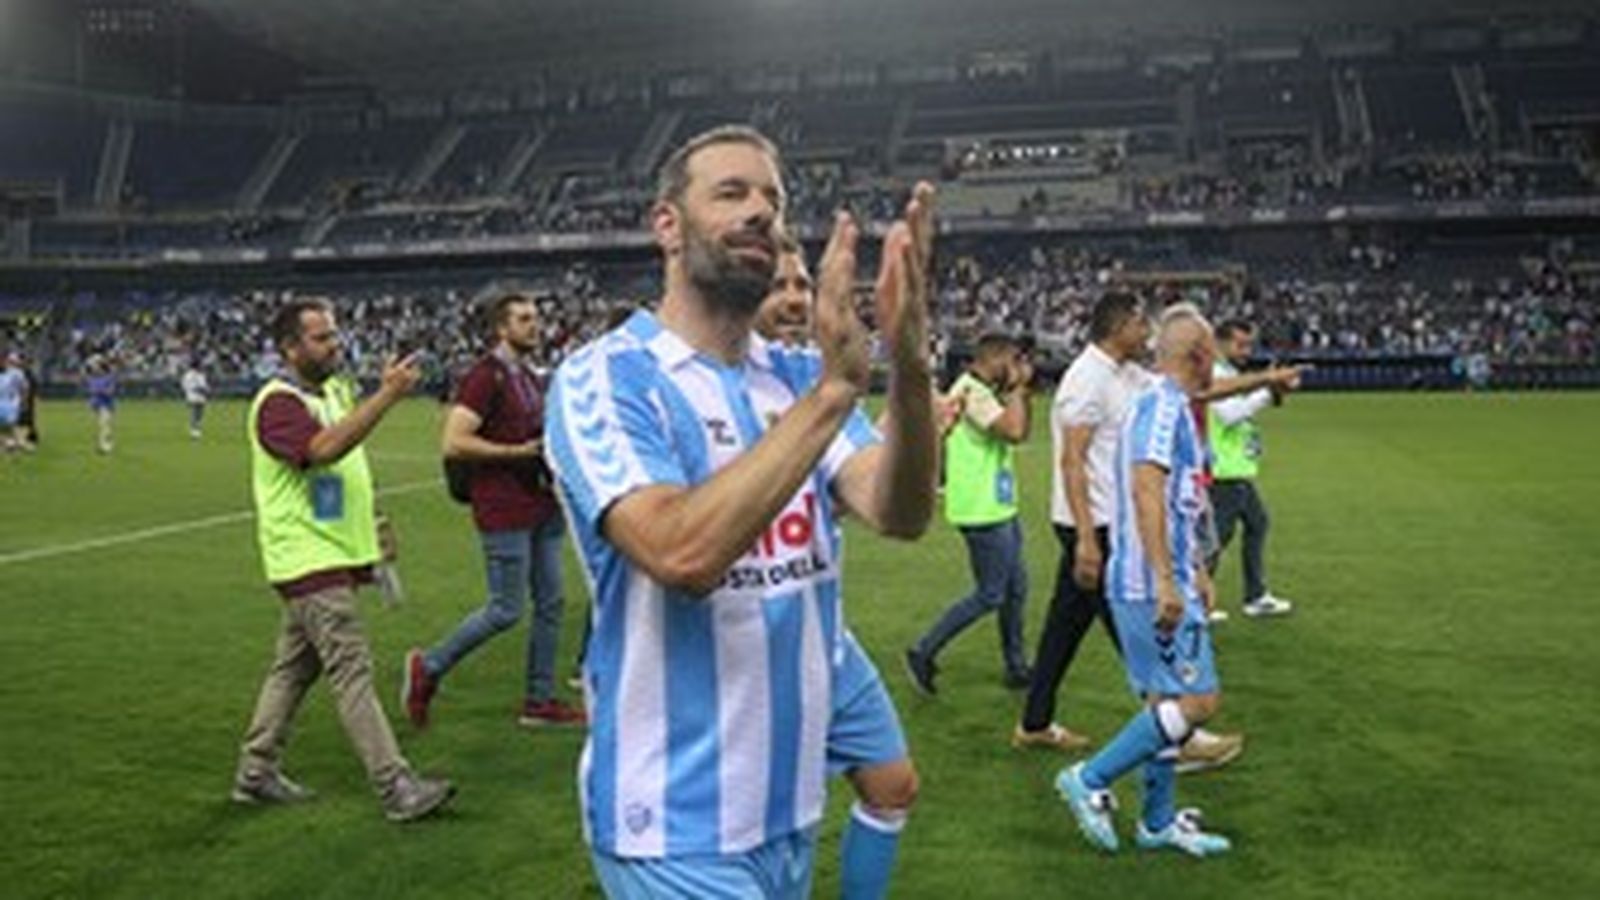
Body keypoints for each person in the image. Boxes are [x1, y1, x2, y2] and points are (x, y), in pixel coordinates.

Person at [545, 126, 938, 899]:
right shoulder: (607, 377)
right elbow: (679, 551)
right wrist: (833, 394)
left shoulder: (793, 374)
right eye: (732, 193)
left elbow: (900, 512)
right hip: (674, 821)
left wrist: (912, 369)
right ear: (668, 224)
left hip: (784, 809)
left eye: (774, 199)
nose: (763, 212)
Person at [233, 297, 454, 823]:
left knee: (293, 669)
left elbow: (334, 480)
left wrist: (372, 530)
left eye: (335, 334)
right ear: (290, 349)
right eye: (322, 338)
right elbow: (324, 451)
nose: (336, 344)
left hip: (325, 554)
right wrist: (388, 395)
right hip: (307, 560)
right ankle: (395, 785)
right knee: (351, 670)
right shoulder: (276, 403)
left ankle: (255, 772)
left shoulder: (331, 391)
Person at [1057, 307, 1233, 858]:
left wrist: (1197, 568)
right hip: (1146, 580)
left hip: (1160, 573)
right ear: (1200, 355)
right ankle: (1089, 779)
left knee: (1165, 699)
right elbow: (1146, 491)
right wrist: (1165, 580)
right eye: (1214, 353)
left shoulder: (1166, 404)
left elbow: (1179, 501)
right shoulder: (1161, 408)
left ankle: (1156, 824)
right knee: (1199, 700)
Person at [403, 282, 585, 730]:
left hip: (540, 502)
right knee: (505, 608)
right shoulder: (487, 375)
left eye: (536, 318)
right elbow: (454, 441)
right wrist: (517, 453)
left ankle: (538, 701)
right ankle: (428, 667)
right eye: (524, 319)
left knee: (552, 602)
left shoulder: (525, 375)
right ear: (501, 328)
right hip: (504, 505)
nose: (535, 325)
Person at [905, 334, 1033, 694]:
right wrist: (1019, 388)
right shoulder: (971, 392)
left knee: (1016, 590)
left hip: (997, 504)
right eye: (1012, 359)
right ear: (996, 358)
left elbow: (1021, 427)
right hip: (981, 509)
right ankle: (923, 650)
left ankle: (1016, 666)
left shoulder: (983, 390)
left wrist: (1018, 391)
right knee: (991, 594)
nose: (1016, 366)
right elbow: (1014, 431)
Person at [1208, 320, 1296, 619]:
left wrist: (1273, 392)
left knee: (1256, 524)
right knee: (1216, 537)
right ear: (1219, 343)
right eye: (1240, 344)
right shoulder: (1215, 373)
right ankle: (1198, 599)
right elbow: (1231, 414)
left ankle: (1254, 595)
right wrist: (1267, 391)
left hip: (1235, 467)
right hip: (1222, 469)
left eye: (1249, 344)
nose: (1246, 351)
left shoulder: (1229, 373)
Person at [86, 356, 117, 454]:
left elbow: (110, 391)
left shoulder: (109, 377)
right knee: (103, 424)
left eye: (96, 366)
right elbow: (92, 391)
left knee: (105, 424)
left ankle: (105, 445)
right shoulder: (92, 378)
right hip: (97, 404)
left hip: (107, 403)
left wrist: (102, 391)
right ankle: (104, 445)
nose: (94, 368)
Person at [0, 352, 24, 454]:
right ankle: (11, 444)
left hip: (10, 403)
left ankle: (14, 444)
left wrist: (21, 400)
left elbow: (23, 388)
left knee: (10, 425)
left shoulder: (15, 373)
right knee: (7, 426)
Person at [181, 360, 210, 440]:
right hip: (195, 396)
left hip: (196, 396)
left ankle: (195, 430)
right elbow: (195, 386)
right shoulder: (193, 375)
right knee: (196, 413)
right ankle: (194, 431)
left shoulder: (190, 375)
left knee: (198, 414)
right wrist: (204, 390)